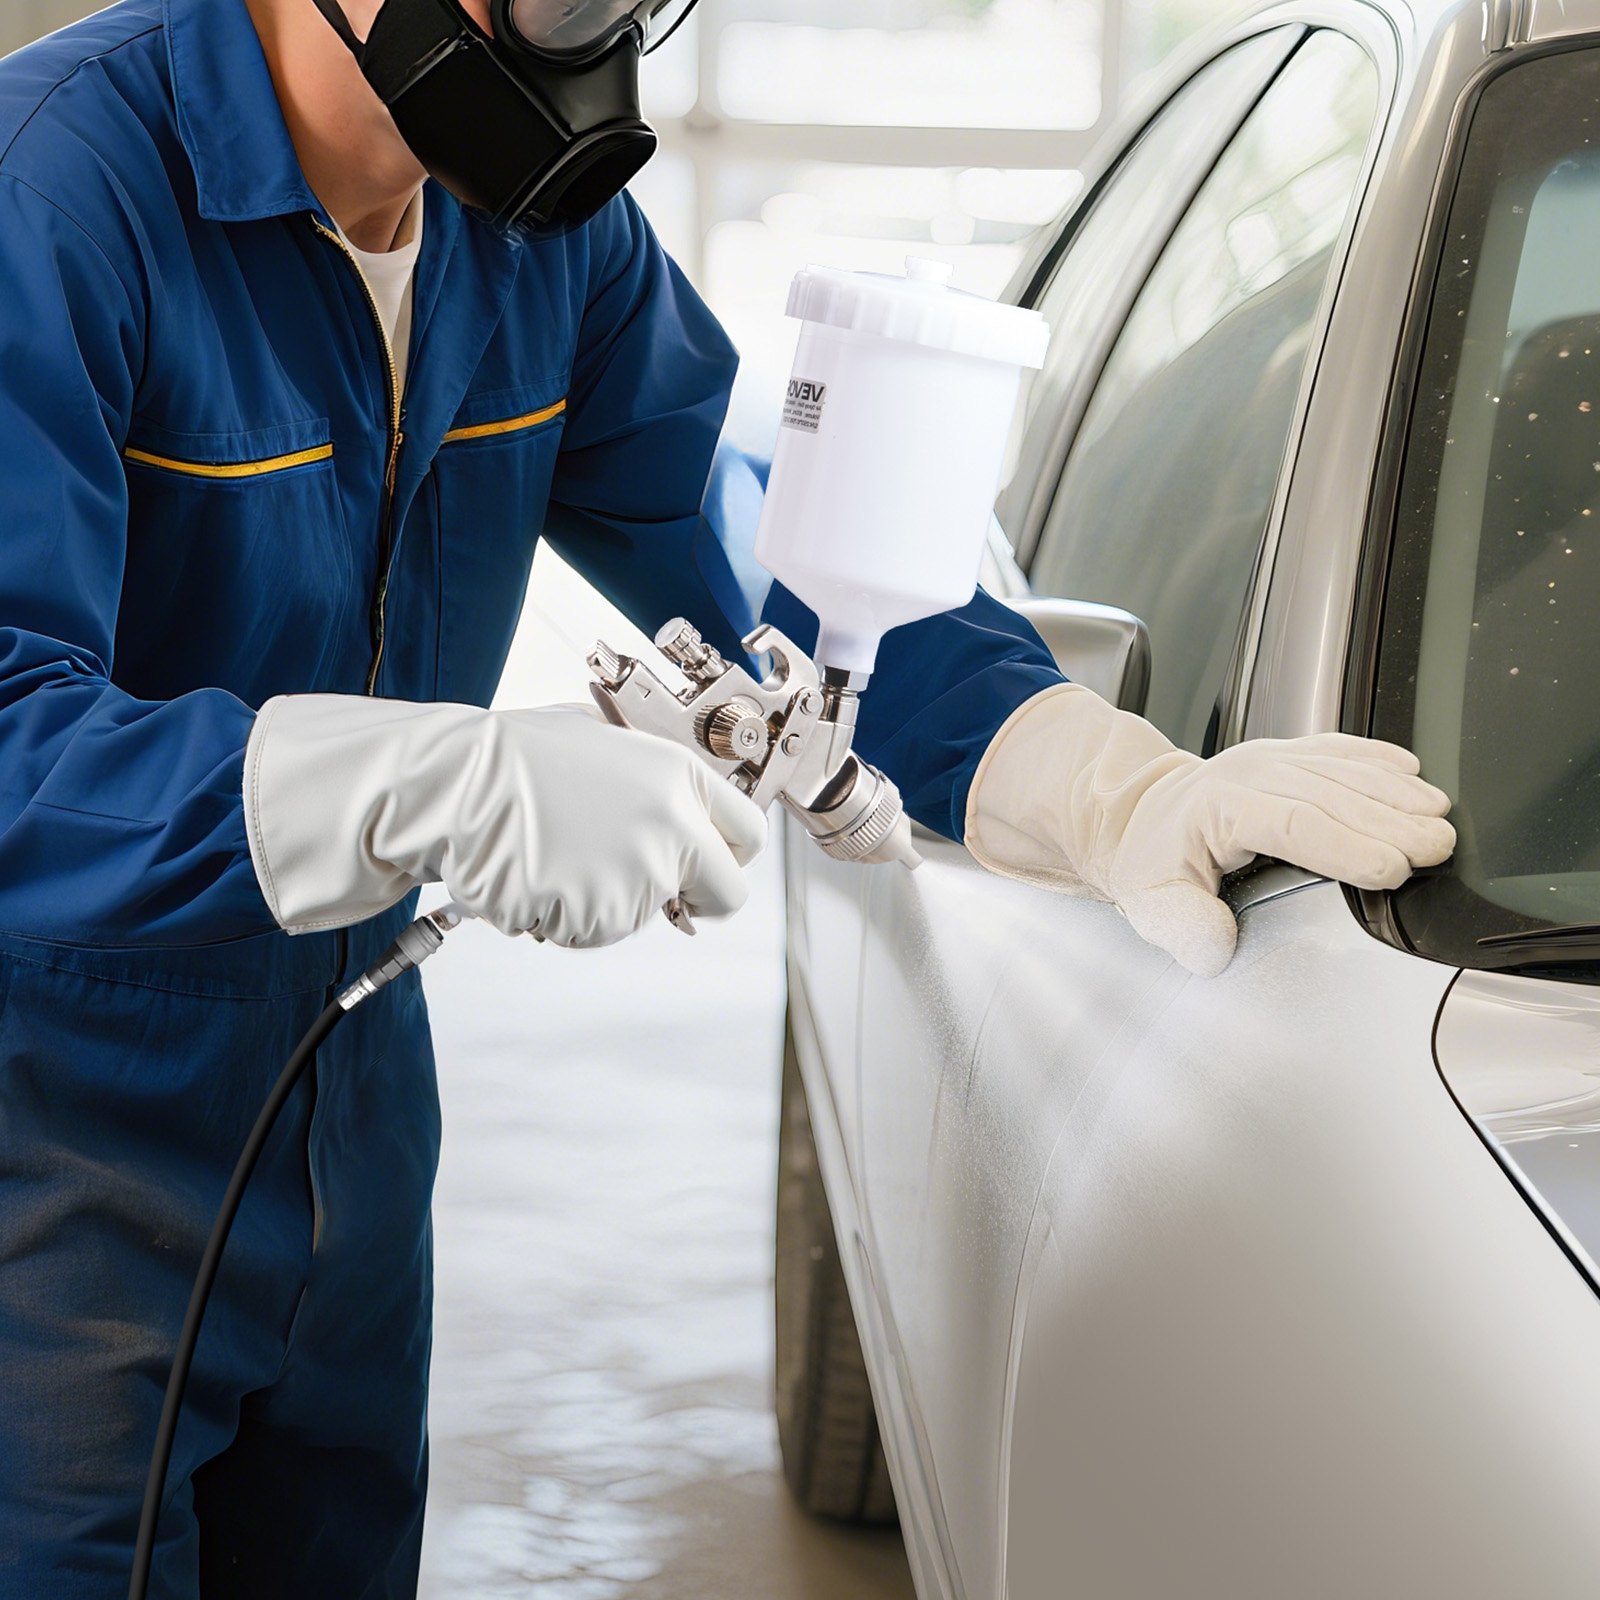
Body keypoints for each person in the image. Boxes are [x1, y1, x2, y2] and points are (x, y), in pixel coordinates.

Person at [0, 0, 1454, 1592]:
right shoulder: (56, 190)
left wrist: (1099, 783)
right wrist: (411, 783)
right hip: (62, 1127)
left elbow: (778, 542)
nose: (598, 37)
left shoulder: (541, 246)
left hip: (345, 1092)